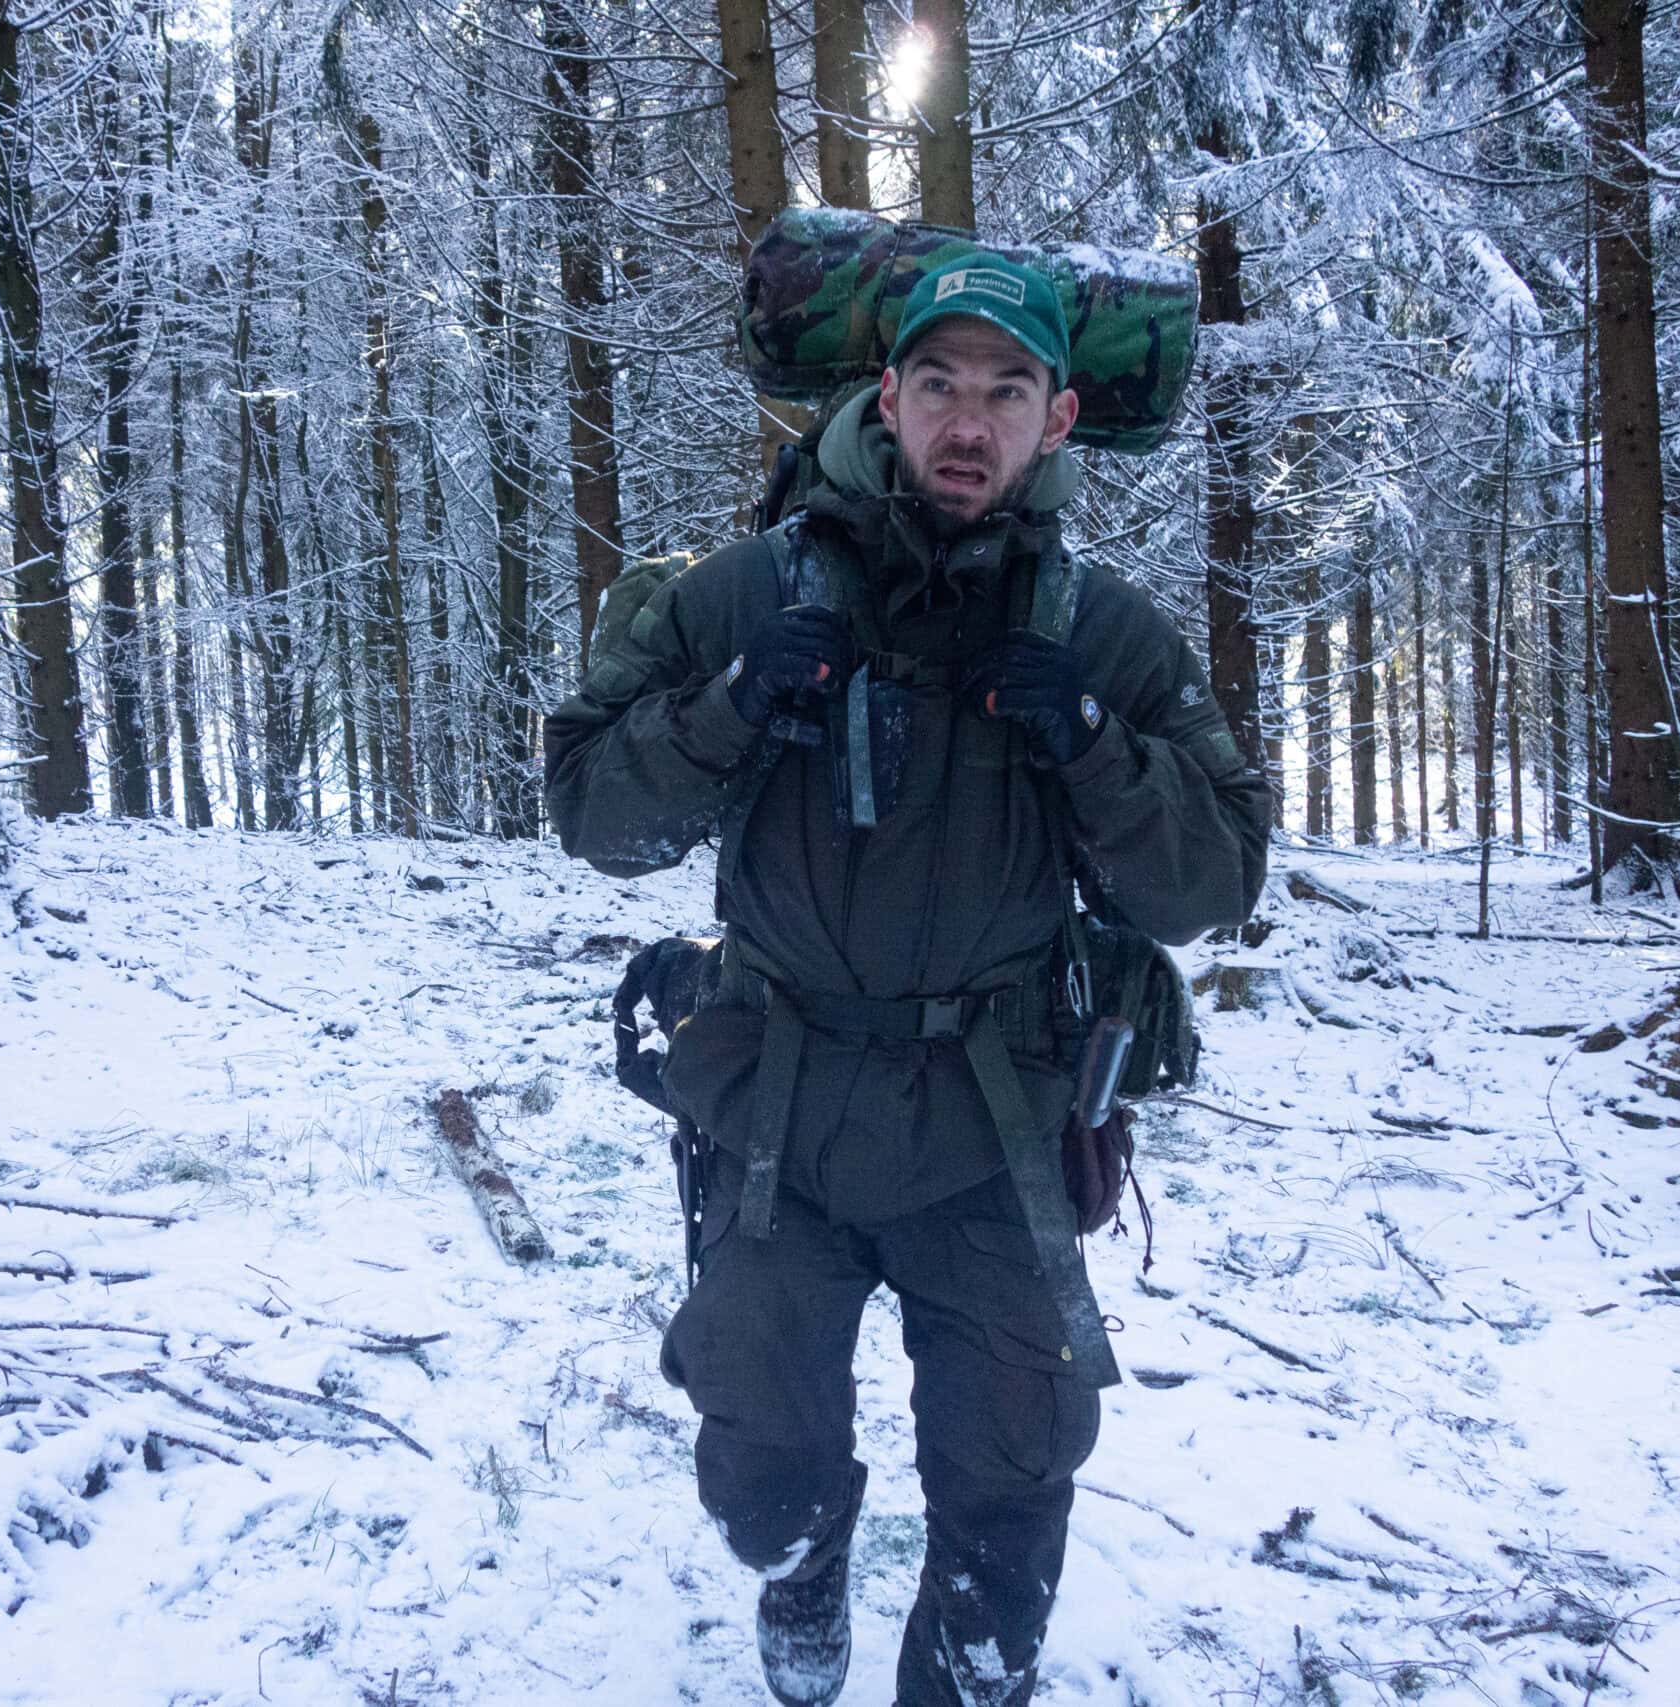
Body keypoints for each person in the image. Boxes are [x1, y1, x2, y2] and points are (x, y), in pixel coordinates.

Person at [543, 249, 1270, 1707]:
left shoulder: (1103, 636)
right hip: (778, 1099)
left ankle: (966, 1677)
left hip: (994, 1115)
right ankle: (805, 1563)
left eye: (1005, 392)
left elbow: (1212, 887)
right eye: (938, 381)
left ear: (1056, 421)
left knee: (1015, 1463)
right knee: (761, 1467)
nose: (966, 420)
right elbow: (596, 821)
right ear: (888, 392)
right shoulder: (744, 595)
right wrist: (737, 705)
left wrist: (1091, 744)